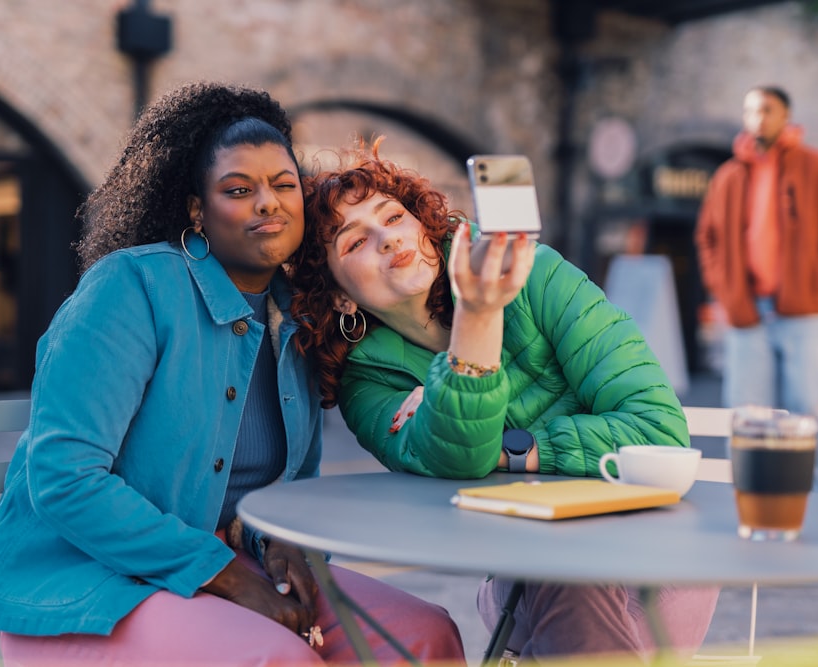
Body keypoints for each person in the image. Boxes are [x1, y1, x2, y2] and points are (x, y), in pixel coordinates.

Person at [0, 83, 464, 666]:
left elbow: (294, 478)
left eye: (284, 185)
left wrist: (276, 543)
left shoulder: (299, 314)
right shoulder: (130, 290)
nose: (267, 203)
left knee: (424, 636)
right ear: (197, 210)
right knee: (275, 657)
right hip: (87, 588)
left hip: (224, 571)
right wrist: (224, 572)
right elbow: (64, 477)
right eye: (238, 189)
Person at [289, 141, 719, 664]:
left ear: (423, 224)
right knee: (560, 564)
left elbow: (658, 429)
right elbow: (459, 457)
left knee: (564, 572)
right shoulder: (366, 379)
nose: (387, 238)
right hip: (524, 571)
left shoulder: (536, 273)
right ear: (338, 295)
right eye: (355, 242)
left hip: (654, 556)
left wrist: (512, 449)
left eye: (395, 216)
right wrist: (478, 315)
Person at [695, 86, 818, 497]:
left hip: (805, 312)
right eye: (750, 110)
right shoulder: (728, 176)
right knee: (744, 413)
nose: (757, 118)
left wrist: (816, 278)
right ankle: (745, 494)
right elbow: (708, 238)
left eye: (767, 110)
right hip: (747, 311)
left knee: (813, 407)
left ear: (785, 116)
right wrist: (725, 289)